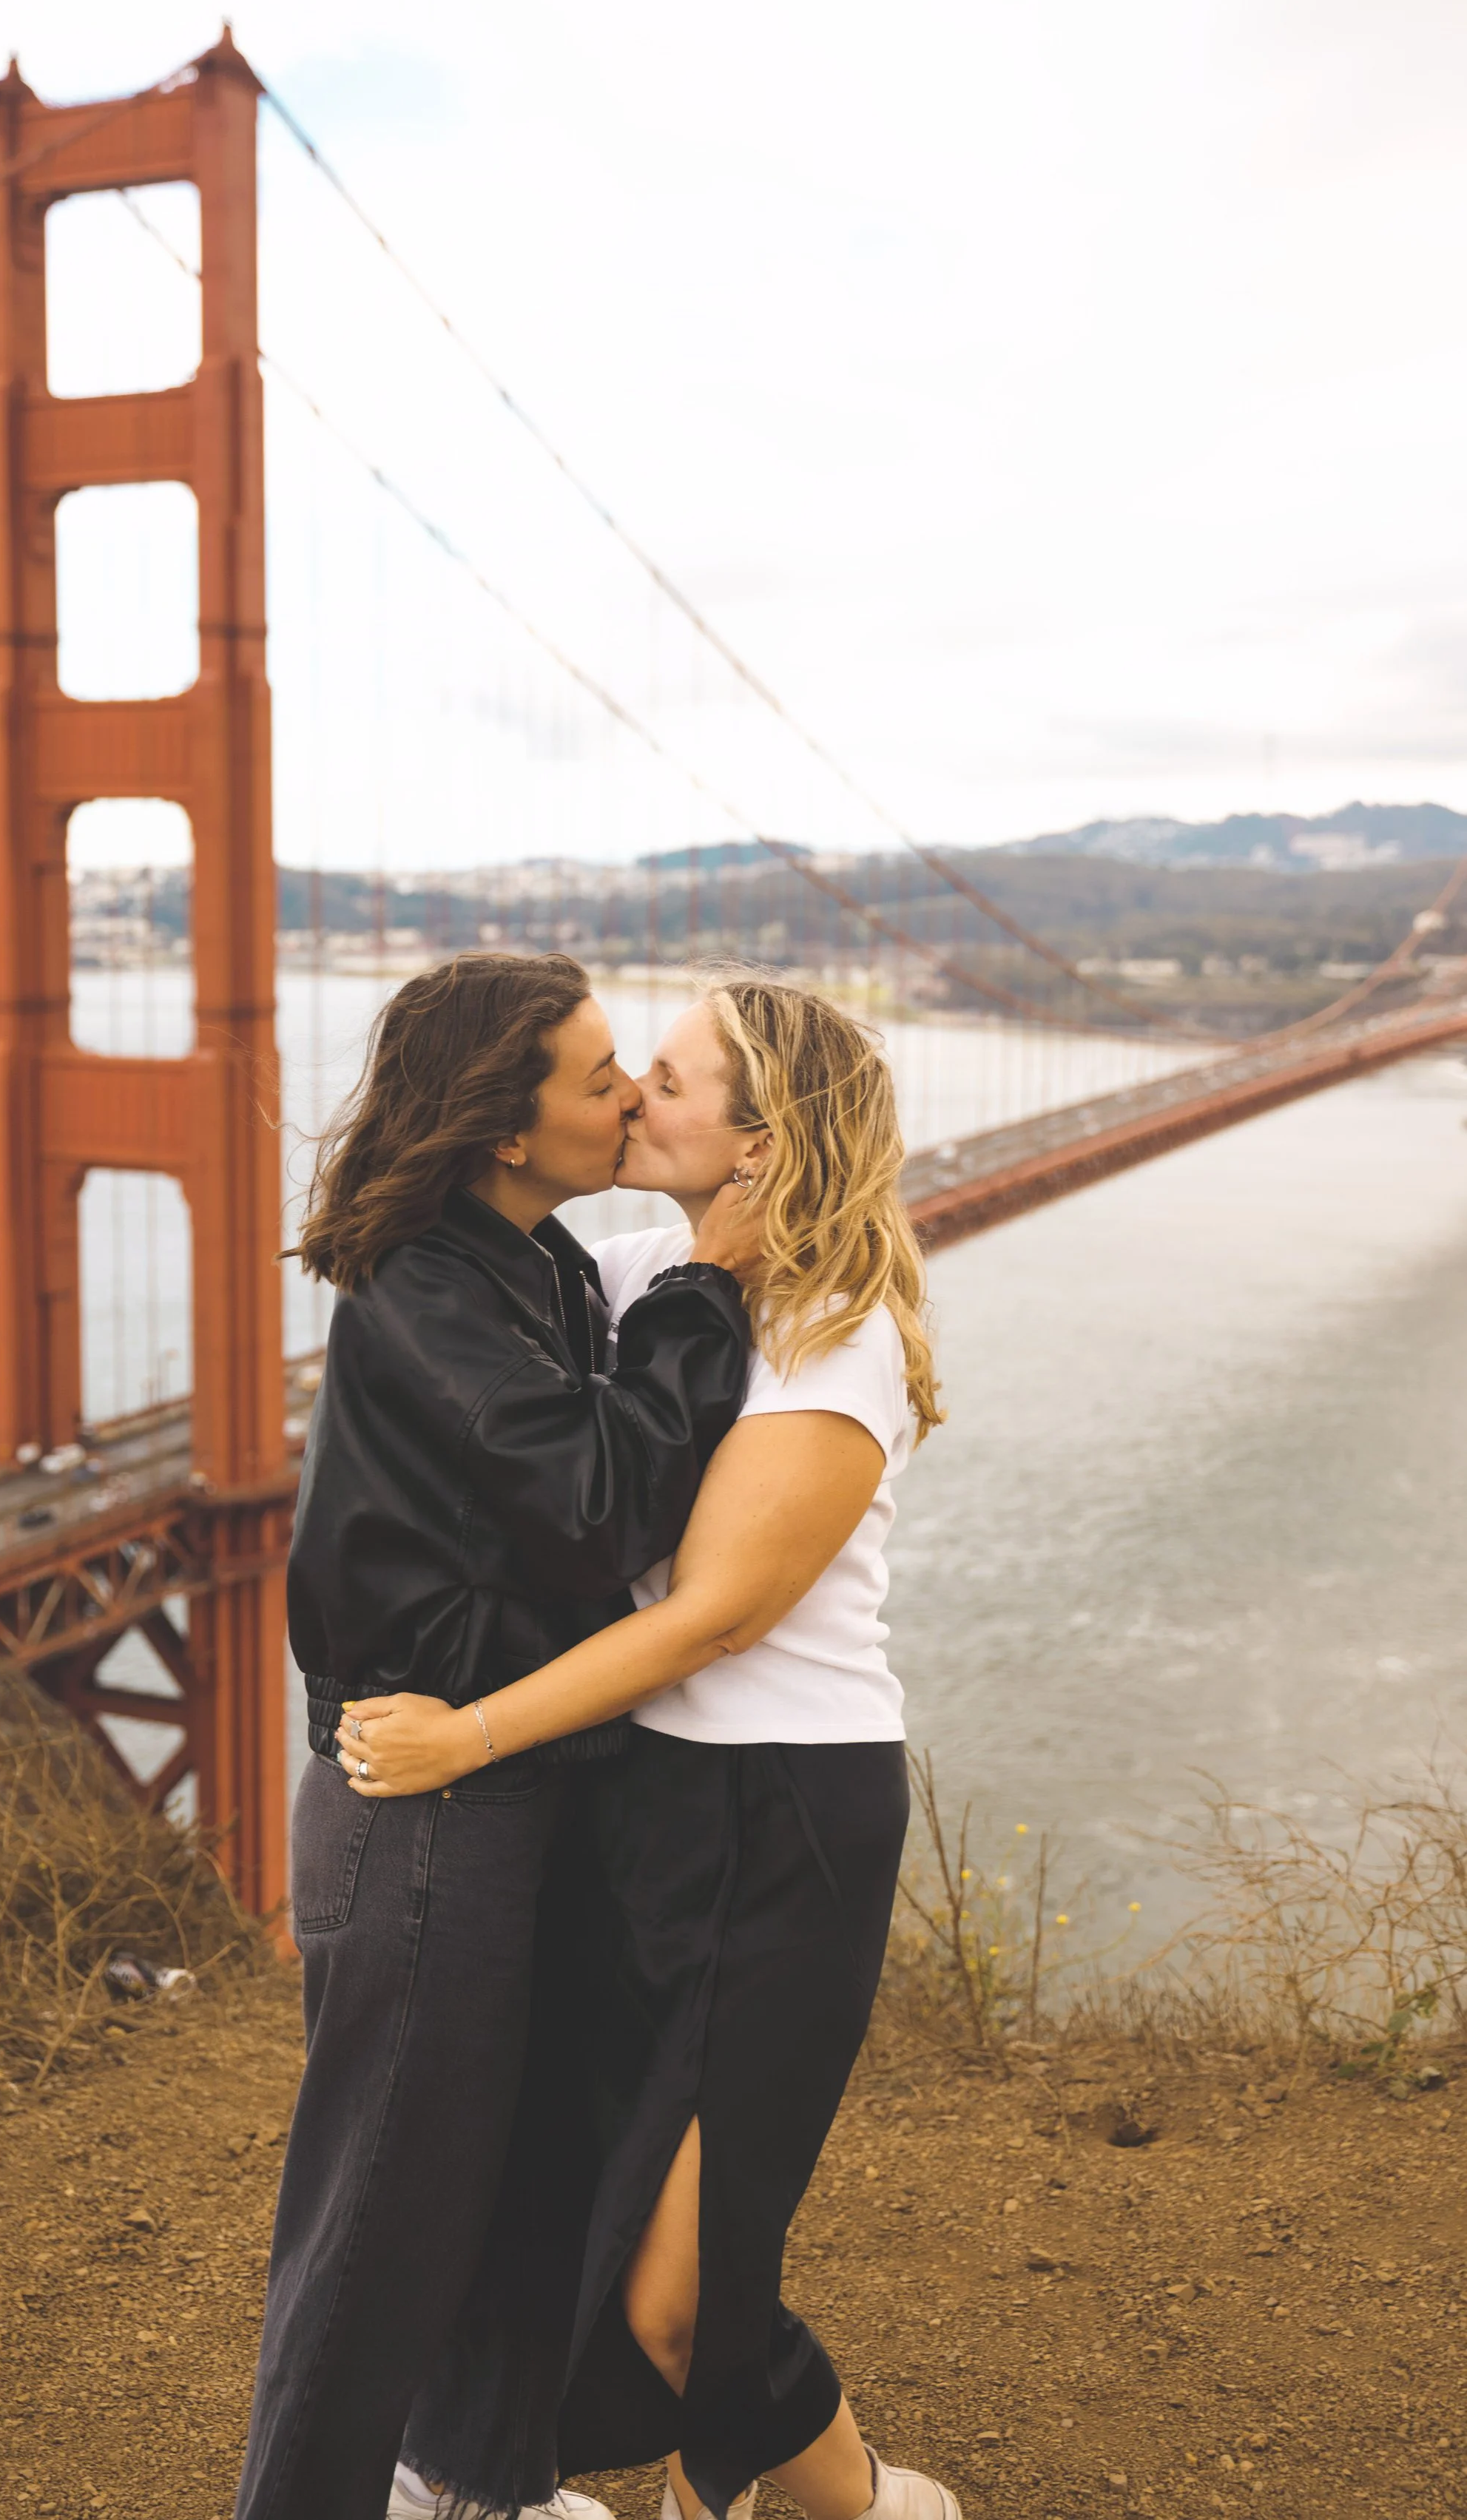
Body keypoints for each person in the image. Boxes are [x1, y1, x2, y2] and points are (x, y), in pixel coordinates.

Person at [340, 977, 960, 2520]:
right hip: (635, 1801)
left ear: (759, 1146)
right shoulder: (622, 1273)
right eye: (620, 1072)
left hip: (781, 1812)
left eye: (665, 1081)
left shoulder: (834, 1335)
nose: (628, 1099)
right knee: (603, 2221)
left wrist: (462, 1730)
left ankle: (862, 2504)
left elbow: (709, 1621)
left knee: (681, 2286)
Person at [232, 952, 761, 2520]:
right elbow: (598, 1507)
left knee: (508, 2180)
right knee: (380, 2217)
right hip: (422, 1810)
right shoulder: (424, 1284)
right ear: (502, 1126)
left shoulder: (525, 1264)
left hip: (507, 1787)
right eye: (599, 1075)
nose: (630, 1096)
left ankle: (470, 2485)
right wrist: (706, 1288)